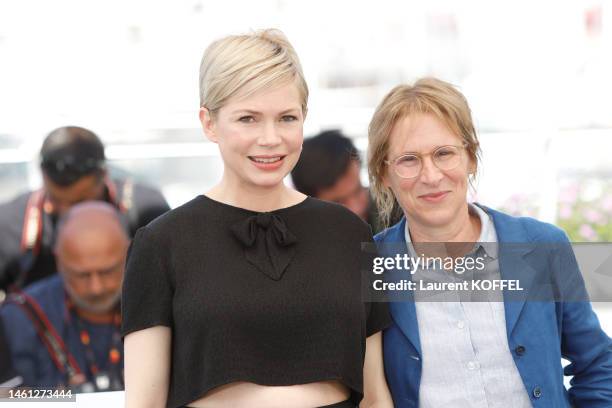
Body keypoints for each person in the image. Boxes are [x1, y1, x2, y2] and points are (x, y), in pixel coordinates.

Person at [121, 29, 393, 408]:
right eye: (248, 119)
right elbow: (144, 402)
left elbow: (375, 394)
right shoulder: (161, 242)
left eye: (286, 118)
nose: (270, 138)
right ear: (209, 122)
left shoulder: (349, 233)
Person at [368, 78, 612, 407]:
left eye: (444, 153)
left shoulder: (542, 246)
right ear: (384, 174)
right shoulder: (370, 266)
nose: (431, 175)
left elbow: (598, 364)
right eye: (408, 160)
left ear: (470, 157)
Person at [0, 126, 170, 292]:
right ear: (43, 176)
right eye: (55, 199)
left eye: (79, 202)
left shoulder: (147, 213)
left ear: (103, 175)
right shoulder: (9, 225)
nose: (66, 211)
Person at [0, 202, 127, 391]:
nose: (96, 288)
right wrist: (56, 401)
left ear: (130, 251)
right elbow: (6, 397)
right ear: (58, 260)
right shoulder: (19, 317)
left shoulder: (161, 303)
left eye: (108, 272)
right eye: (82, 275)